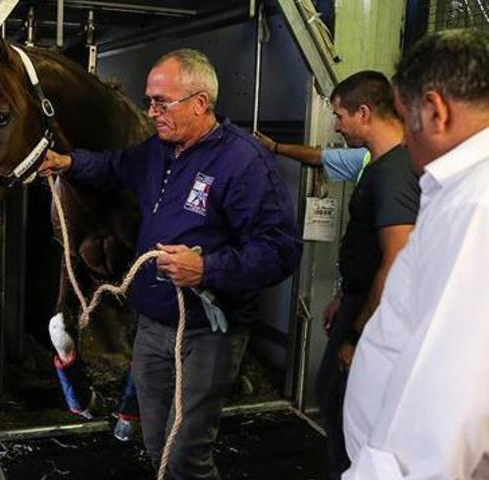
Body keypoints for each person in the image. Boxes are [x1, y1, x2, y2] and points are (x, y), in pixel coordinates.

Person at [39, 49, 301, 479]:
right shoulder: (159, 151)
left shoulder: (245, 163)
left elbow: (281, 250)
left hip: (205, 332)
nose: (151, 112)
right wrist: (68, 162)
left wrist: (207, 269)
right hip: (152, 328)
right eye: (149, 101)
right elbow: (115, 166)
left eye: (162, 102)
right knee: (157, 443)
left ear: (200, 103)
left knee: (185, 457)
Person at [342, 29, 489, 480]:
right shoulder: (464, 190)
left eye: (406, 120)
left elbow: (447, 399)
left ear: (435, 110)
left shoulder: (475, 206)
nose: (405, 140)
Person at [314, 71, 420, 479]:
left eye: (340, 116)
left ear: (363, 113)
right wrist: (346, 294)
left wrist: (359, 334)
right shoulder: (378, 166)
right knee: (331, 397)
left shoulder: (394, 173)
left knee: (344, 412)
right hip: (358, 301)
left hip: (372, 317)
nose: (337, 127)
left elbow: (395, 259)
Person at [253, 131, 370, 183]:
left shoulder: (364, 156)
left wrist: (274, 147)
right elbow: (319, 156)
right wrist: (274, 147)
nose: (337, 127)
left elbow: (317, 157)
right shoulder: (366, 156)